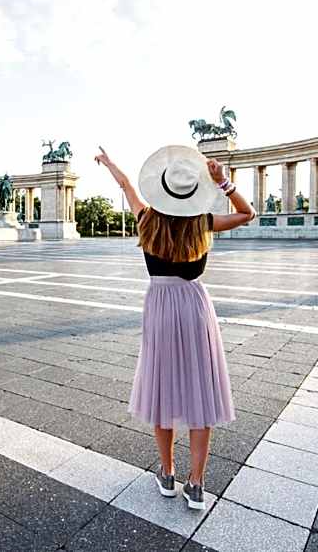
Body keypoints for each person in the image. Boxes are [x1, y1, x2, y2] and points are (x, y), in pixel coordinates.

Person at [95, 145, 255, 511]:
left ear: (161, 189)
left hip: (160, 306)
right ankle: (196, 483)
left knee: (162, 389)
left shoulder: (146, 220)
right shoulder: (203, 222)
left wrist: (108, 162)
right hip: (195, 306)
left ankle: (167, 474)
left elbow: (125, 185)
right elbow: (248, 213)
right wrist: (223, 183)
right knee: (200, 390)